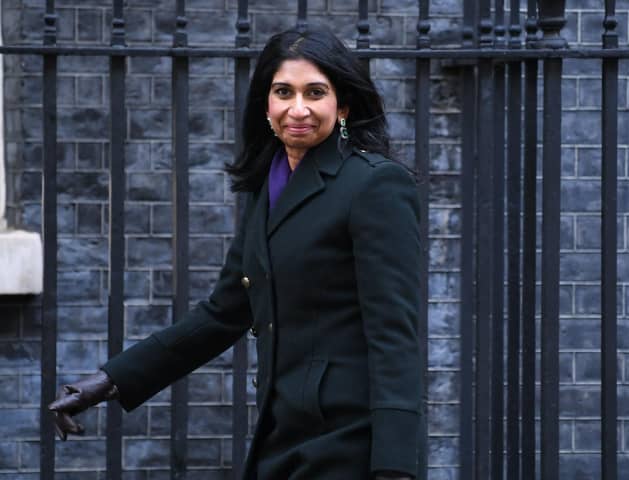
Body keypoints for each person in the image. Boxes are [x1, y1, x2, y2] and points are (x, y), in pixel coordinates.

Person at [49, 26, 423, 480]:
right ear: (266, 105)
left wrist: (395, 467)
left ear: (341, 105)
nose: (297, 109)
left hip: (348, 442)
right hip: (280, 434)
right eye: (283, 92)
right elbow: (224, 312)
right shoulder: (268, 190)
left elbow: (395, 336)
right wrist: (108, 382)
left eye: (316, 92)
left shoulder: (374, 184)